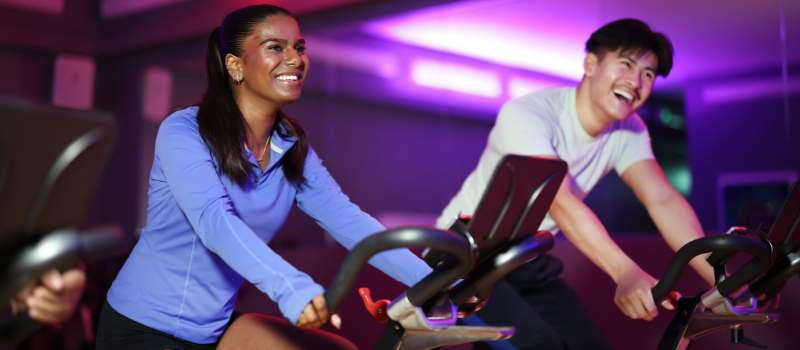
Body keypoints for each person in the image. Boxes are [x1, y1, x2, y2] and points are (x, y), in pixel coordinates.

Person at [94, 4, 432, 349]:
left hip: (212, 327)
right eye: (275, 47)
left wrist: (433, 283)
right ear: (235, 66)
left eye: (299, 48)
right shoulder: (184, 131)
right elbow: (215, 222)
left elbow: (351, 223)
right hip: (142, 326)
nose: (296, 59)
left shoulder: (292, 148)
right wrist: (291, 287)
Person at [436, 19, 715, 349]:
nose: (636, 81)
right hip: (462, 255)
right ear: (591, 63)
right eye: (625, 63)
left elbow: (662, 200)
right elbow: (559, 200)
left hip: (525, 256)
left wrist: (723, 279)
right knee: (538, 344)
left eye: (648, 74)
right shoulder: (530, 114)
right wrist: (625, 273)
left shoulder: (630, 129)